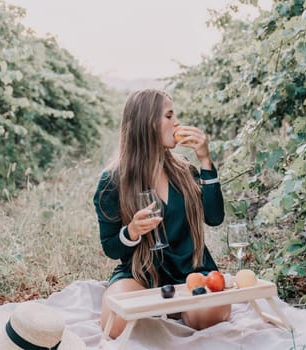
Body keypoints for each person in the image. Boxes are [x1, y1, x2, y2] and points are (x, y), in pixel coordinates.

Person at [93, 89, 231, 338]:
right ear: (147, 124)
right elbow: (111, 247)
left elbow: (215, 217)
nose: (176, 122)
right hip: (141, 273)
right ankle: (164, 308)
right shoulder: (113, 181)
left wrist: (206, 161)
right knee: (114, 324)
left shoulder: (186, 171)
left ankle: (178, 309)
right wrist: (132, 232)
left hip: (192, 271)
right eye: (169, 116)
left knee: (210, 317)